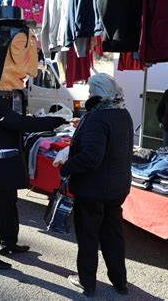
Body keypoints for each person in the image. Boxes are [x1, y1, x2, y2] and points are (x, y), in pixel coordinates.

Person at [0, 6, 66, 270]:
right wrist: (51, 121)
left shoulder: (7, 97)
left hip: (7, 166)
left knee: (10, 208)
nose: (31, 65)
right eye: (21, 48)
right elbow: (19, 123)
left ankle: (9, 242)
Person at [58, 73, 133, 297]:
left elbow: (92, 157)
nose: (89, 94)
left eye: (91, 91)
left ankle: (86, 282)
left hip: (93, 189)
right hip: (117, 186)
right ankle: (120, 281)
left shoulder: (97, 117)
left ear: (98, 93)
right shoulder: (123, 113)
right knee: (113, 235)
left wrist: (66, 167)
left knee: (89, 237)